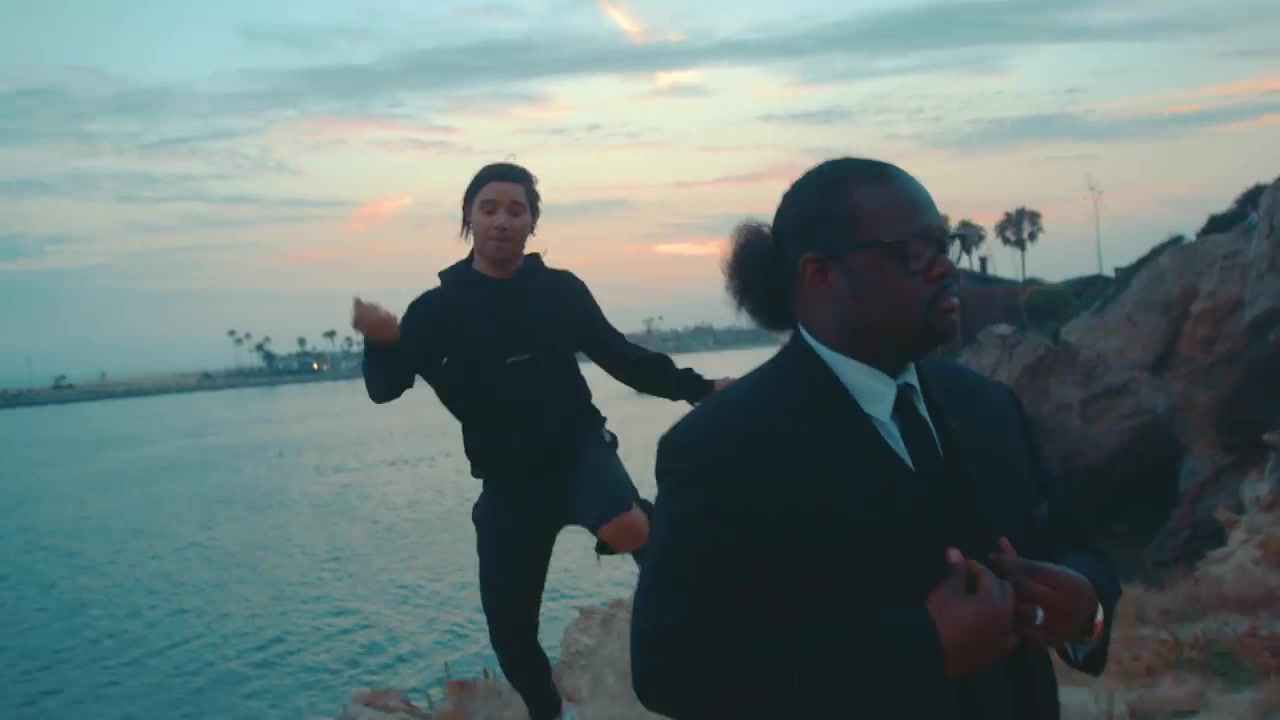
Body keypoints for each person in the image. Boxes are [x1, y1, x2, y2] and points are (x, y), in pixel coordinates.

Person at [630, 158, 1121, 719]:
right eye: (914, 251)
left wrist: (1088, 611)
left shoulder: (988, 406)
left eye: (946, 246)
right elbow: (671, 668)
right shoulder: (720, 448)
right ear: (821, 275)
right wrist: (920, 648)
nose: (946, 269)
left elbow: (1074, 546)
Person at [351, 161, 732, 720]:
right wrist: (381, 341)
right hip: (507, 483)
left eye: (516, 210)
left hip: (578, 450)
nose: (503, 220)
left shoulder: (559, 290)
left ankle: (689, 596)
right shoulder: (436, 310)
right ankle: (546, 711)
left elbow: (622, 357)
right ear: (468, 217)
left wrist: (699, 389)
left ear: (533, 222)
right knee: (510, 637)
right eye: (489, 209)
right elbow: (385, 390)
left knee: (626, 525)